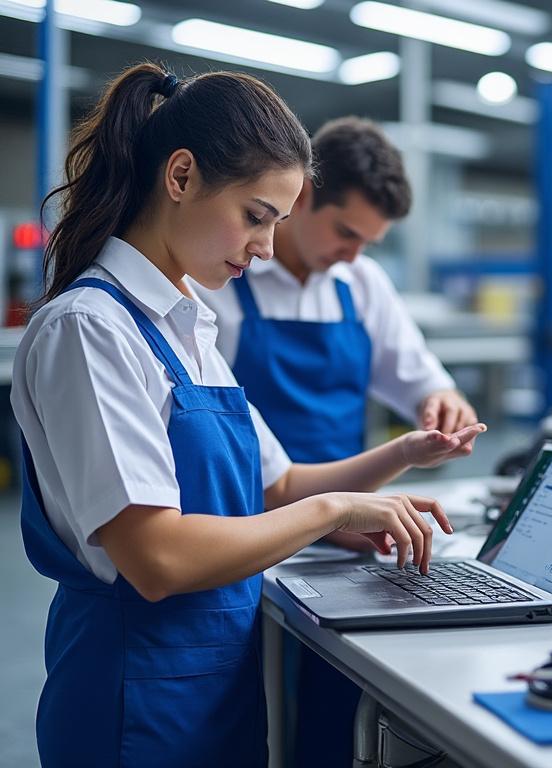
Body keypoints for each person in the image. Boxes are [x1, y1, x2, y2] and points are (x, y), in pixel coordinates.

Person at [12, 63, 484, 768]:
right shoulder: (90, 329)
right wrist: (333, 516)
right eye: (256, 217)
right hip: (136, 695)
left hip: (214, 683)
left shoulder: (187, 326)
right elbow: (157, 558)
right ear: (180, 177)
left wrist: (395, 460)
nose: (265, 247)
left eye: (278, 223)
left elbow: (278, 485)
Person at [193, 116, 480, 766]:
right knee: (260, 701)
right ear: (300, 199)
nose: (354, 253)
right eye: (346, 232)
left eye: (369, 242)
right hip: (251, 524)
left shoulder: (362, 283)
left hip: (345, 524)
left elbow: (424, 381)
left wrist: (446, 405)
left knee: (342, 697)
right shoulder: (225, 283)